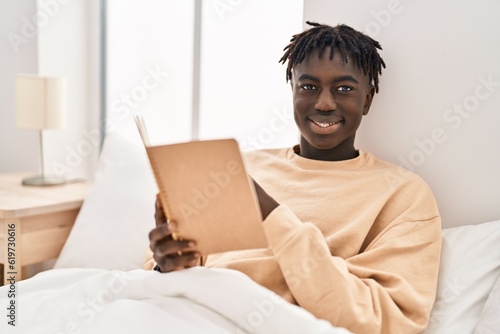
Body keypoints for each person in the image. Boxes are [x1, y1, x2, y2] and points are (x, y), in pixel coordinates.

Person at [146, 21, 442, 334]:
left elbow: (388, 322)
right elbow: (182, 273)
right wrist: (167, 264)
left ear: (366, 99)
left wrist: (270, 213)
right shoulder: (241, 167)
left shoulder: (403, 195)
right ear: (293, 91)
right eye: (309, 87)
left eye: (344, 89)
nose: (324, 103)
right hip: (184, 316)